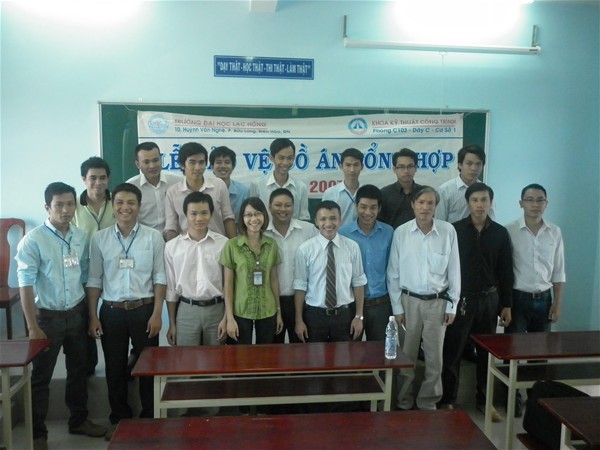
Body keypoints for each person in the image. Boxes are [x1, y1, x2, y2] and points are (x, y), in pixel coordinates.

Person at [16, 182, 106, 450]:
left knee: (79, 371)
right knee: (41, 377)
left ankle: (79, 420)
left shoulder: (81, 237)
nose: (66, 210)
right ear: (47, 207)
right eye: (59, 205)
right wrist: (32, 326)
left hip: (77, 314)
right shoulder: (33, 240)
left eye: (70, 204)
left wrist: (91, 315)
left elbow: (86, 277)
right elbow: (25, 284)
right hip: (48, 319)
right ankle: (38, 433)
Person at [87, 183, 166, 440]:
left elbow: (160, 277)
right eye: (119, 202)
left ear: (139, 206)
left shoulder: (153, 237)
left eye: (131, 202)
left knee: (149, 367)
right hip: (112, 312)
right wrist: (93, 316)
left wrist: (157, 313)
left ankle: (149, 418)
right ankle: (119, 418)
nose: (125, 207)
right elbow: (95, 280)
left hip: (145, 311)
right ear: (113, 206)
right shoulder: (100, 239)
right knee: (114, 367)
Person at [439, 183, 513, 422]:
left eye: (484, 200)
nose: (480, 205)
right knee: (453, 351)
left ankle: (484, 401)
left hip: (489, 300)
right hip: (461, 299)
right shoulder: (455, 230)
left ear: (491, 203)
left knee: (485, 353)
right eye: (475, 200)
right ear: (468, 203)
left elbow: (505, 271)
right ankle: (448, 399)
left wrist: (506, 304)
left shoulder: (500, 233)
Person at [387, 186, 460, 411]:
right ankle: (404, 401)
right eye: (421, 202)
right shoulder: (401, 232)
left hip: (438, 303)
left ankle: (428, 402)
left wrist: (452, 305)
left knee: (434, 358)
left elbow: (454, 271)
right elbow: (393, 272)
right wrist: (397, 308)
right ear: (413, 205)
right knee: (406, 356)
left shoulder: (448, 231)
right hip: (409, 302)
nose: (425, 207)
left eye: (430, 203)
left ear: (436, 207)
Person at [505, 183, 566, 417]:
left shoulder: (554, 232)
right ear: (521, 203)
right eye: (530, 200)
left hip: (544, 300)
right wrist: (505, 304)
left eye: (540, 200)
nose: (535, 204)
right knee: (513, 353)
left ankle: (536, 400)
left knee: (540, 356)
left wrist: (557, 303)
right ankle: (512, 399)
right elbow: (504, 271)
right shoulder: (510, 230)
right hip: (517, 299)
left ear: (546, 204)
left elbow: (559, 271)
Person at [294, 200, 367, 343]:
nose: (328, 223)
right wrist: (299, 320)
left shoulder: (352, 247)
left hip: (344, 316)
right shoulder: (305, 250)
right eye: (323, 219)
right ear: (316, 221)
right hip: (314, 316)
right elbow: (300, 286)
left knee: (344, 356)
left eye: (333, 218)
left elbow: (358, 282)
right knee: (315, 356)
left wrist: (359, 316)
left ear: (340, 220)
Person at [165, 191, 228, 346]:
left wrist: (227, 318)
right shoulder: (172, 247)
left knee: (217, 357)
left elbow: (229, 285)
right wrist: (172, 323)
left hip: (217, 310)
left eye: (204, 213)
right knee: (186, 358)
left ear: (211, 214)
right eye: (193, 214)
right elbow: (171, 289)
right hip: (187, 310)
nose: (199, 218)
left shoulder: (224, 244)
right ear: (185, 215)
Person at [72, 156, 115, 375]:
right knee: (85, 317)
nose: (98, 182)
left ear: (108, 179)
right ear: (84, 179)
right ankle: (89, 364)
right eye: (93, 178)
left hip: (114, 268)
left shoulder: (117, 201)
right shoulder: (73, 205)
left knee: (115, 315)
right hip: (82, 271)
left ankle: (124, 362)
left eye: (102, 177)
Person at [221, 197, 283, 344]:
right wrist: (229, 317)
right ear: (242, 218)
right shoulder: (232, 245)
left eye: (258, 214)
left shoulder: (272, 244)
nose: (253, 219)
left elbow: (274, 280)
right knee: (240, 355)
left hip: (268, 310)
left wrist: (278, 312)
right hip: (240, 311)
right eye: (248, 215)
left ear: (264, 216)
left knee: (266, 354)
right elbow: (228, 285)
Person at [339, 185, 394, 341]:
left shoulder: (389, 232)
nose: (368, 212)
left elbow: (392, 269)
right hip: (351, 305)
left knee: (379, 352)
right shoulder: (343, 233)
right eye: (363, 207)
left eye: (373, 207)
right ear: (356, 206)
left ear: (379, 208)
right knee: (351, 351)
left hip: (381, 305)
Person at [264, 188, 318, 343]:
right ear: (269, 206)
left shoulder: (308, 230)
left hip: (302, 301)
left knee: (302, 349)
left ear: (294, 207)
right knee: (273, 350)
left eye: (287, 205)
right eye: (278, 205)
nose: (283, 209)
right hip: (272, 301)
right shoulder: (262, 233)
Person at [164, 142, 236, 240]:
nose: (197, 167)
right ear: (182, 165)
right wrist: (171, 247)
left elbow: (228, 218)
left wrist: (233, 246)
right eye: (192, 162)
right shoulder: (173, 192)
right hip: (186, 246)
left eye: (201, 162)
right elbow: (171, 227)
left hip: (217, 244)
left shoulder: (219, 186)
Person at [126, 142, 182, 235]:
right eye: (146, 162)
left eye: (156, 160)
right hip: (144, 238)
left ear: (161, 159)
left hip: (174, 237)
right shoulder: (130, 187)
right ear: (137, 164)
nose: (152, 166)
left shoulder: (177, 182)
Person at [250, 138, 310, 221]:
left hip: (293, 229)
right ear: (271, 157)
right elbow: (253, 215)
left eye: (289, 158)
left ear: (294, 158)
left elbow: (304, 218)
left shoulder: (301, 187)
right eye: (281, 158)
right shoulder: (257, 184)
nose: (285, 163)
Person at [436, 144, 495, 223]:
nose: (474, 168)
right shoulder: (445, 190)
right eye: (469, 163)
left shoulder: (486, 191)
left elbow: (492, 220)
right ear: (460, 165)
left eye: (478, 164)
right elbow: (439, 222)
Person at [378, 148, 424, 229]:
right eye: (401, 167)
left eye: (410, 166)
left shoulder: (423, 193)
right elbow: (379, 223)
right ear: (394, 169)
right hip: (392, 236)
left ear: (416, 168)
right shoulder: (384, 194)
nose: (406, 171)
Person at [322, 148, 364, 225]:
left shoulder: (366, 193)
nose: (352, 170)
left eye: (356, 165)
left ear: (362, 167)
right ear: (341, 166)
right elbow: (325, 221)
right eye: (348, 165)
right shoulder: (330, 193)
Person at [209, 145, 250, 224]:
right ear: (212, 167)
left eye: (227, 162)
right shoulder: (206, 191)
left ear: (233, 167)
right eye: (218, 162)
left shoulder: (244, 191)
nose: (223, 166)